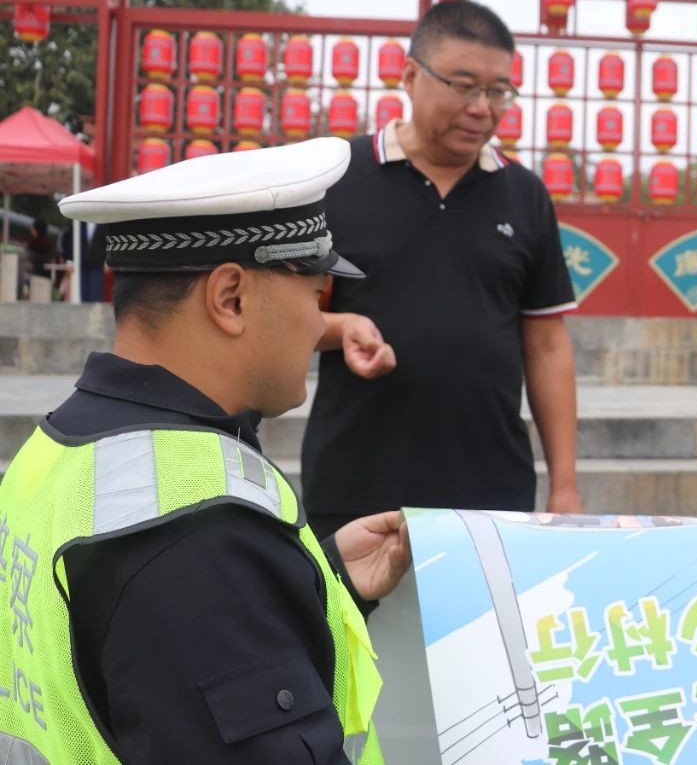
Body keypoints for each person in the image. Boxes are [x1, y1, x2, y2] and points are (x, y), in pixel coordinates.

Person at [0, 138, 411, 762]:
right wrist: (242, 579)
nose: (318, 324)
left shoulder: (59, 448)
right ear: (230, 298)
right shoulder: (201, 534)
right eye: (316, 293)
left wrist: (322, 580)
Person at [302, 0, 581, 538]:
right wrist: (343, 328)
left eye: (498, 91)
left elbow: (548, 344)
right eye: (463, 86)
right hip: (356, 484)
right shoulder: (338, 179)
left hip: (493, 491)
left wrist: (564, 484)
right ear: (410, 76)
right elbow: (282, 318)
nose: (482, 108)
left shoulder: (524, 195)